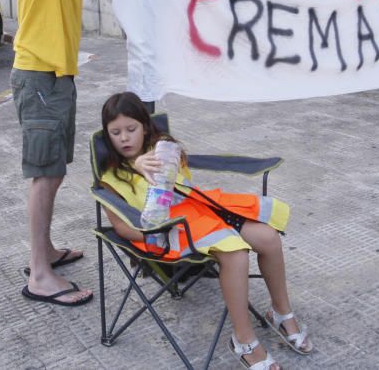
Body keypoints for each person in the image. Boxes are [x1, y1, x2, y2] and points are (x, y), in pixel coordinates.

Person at [99, 92, 312, 369]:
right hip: (166, 233)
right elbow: (121, 227)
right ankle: (244, 340)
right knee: (235, 253)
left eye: (131, 129)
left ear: (145, 127)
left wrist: (145, 160)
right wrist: (136, 171)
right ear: (107, 135)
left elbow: (166, 152)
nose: (124, 138)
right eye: (115, 132)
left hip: (204, 211)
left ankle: (281, 313)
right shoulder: (110, 178)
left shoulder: (163, 150)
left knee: (268, 238)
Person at [12, 0, 138, 307]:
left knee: (56, 170)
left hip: (59, 77)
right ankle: (40, 275)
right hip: (38, 75)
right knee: (44, 174)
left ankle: (45, 253)